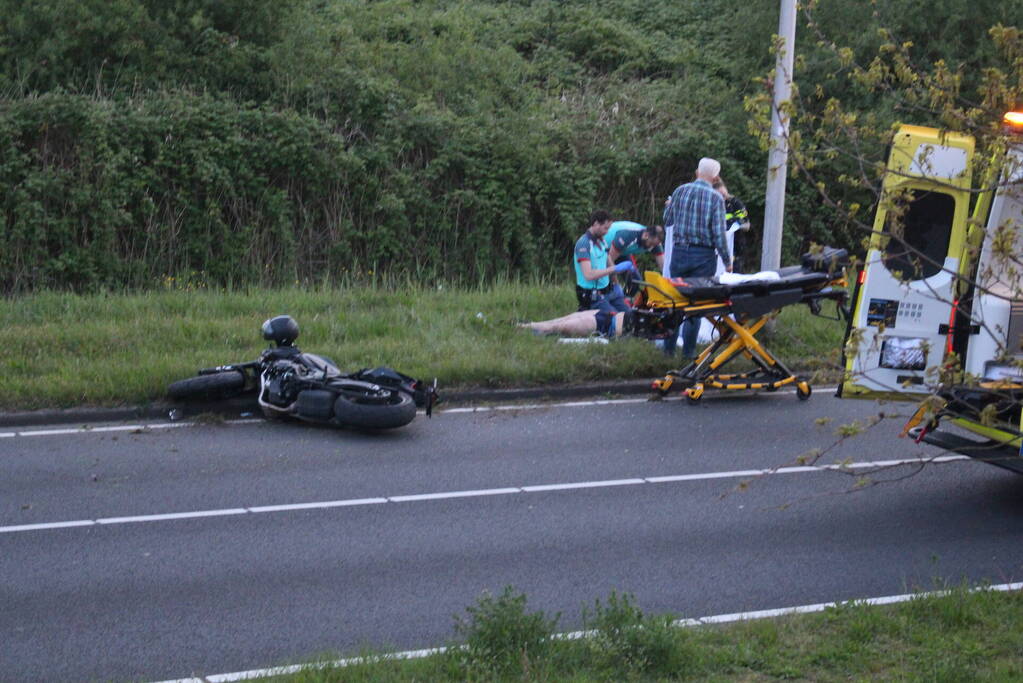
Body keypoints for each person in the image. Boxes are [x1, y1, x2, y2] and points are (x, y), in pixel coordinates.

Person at [662, 157, 730, 358]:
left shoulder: (679, 191)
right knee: (695, 304)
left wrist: (669, 206)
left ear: (697, 171)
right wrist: (728, 261)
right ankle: (689, 353)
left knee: (675, 301)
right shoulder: (716, 198)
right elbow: (719, 234)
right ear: (716, 177)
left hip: (679, 252)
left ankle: (668, 351)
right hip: (703, 255)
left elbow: (667, 220)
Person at [573, 210, 633, 312]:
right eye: (605, 228)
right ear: (596, 224)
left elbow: (608, 261)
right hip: (591, 295)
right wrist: (614, 268)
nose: (607, 232)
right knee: (613, 320)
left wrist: (617, 284)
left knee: (629, 315)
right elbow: (589, 275)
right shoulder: (584, 244)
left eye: (609, 229)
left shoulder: (602, 241)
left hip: (608, 291)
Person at [520, 309, 634, 339]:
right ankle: (526, 325)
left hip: (607, 327)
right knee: (561, 320)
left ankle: (523, 328)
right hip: (609, 315)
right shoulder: (650, 303)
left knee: (560, 326)